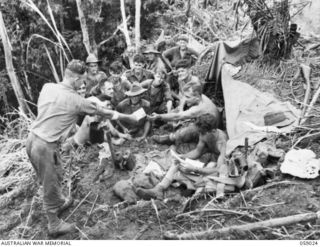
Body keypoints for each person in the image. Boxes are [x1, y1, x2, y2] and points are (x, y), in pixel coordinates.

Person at [26, 60, 137, 237]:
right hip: (45, 146)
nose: (83, 84)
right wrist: (129, 118)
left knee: (56, 173)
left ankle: (59, 201)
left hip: (32, 138)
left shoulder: (48, 87)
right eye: (82, 81)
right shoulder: (74, 100)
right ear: (76, 79)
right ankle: (53, 224)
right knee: (50, 182)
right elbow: (105, 113)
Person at [136, 113, 230, 200]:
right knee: (179, 162)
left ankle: (195, 196)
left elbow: (220, 169)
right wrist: (182, 157)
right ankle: (159, 189)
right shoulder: (204, 133)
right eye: (200, 132)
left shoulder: (222, 142)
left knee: (209, 169)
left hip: (217, 164)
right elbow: (197, 152)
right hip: (208, 157)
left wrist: (195, 169)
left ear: (213, 131)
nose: (201, 135)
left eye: (203, 133)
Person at [150, 81, 220, 145]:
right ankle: (165, 123)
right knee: (178, 109)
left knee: (191, 129)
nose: (185, 99)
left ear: (197, 97)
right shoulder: (200, 96)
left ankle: (170, 138)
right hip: (205, 119)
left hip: (210, 129)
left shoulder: (199, 108)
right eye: (186, 96)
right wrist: (181, 108)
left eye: (188, 97)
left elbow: (177, 116)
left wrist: (159, 116)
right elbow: (183, 99)